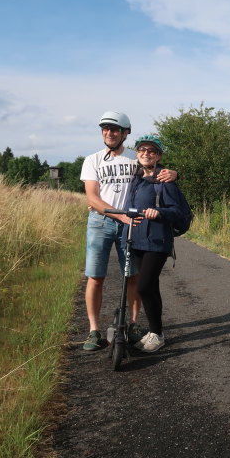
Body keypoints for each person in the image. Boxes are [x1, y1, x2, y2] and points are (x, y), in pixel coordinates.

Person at [80, 111, 177, 351]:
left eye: (114, 129)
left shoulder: (136, 158)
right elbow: (92, 198)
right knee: (95, 276)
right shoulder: (93, 160)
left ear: (125, 133)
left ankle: (133, 325)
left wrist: (175, 174)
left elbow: (158, 172)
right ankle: (93, 331)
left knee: (133, 276)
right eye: (105, 129)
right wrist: (118, 215)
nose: (109, 133)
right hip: (101, 222)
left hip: (131, 224)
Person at [124, 134, 188, 353]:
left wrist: (158, 211)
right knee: (151, 287)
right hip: (138, 240)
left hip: (158, 241)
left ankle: (157, 334)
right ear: (137, 153)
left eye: (151, 151)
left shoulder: (165, 180)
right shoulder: (137, 178)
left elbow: (177, 211)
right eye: (142, 149)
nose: (146, 153)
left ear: (159, 155)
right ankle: (155, 332)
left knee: (143, 286)